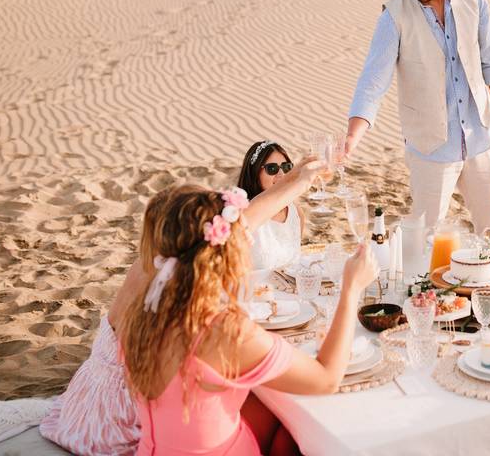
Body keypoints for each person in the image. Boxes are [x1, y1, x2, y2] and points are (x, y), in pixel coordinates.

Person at [119, 182, 377, 456]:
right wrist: (351, 288)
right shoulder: (224, 331)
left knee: (272, 407)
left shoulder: (142, 315)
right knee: (299, 426)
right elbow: (326, 380)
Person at [346, 0, 490, 232]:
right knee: (424, 239)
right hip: (431, 150)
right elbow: (373, 81)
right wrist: (352, 137)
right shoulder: (393, 17)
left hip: (480, 139)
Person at [38, 187, 174, 455]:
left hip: (89, 394)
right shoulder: (164, 277)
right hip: (116, 416)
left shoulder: (146, 261)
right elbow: (143, 374)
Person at [236, 140, 308, 271]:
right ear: (255, 172)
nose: (281, 175)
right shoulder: (244, 214)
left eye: (286, 167)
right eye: (272, 168)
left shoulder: (295, 212)